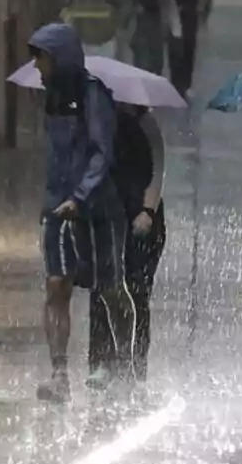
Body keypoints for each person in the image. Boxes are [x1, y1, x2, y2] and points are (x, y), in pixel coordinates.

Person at [30, 23, 136, 403]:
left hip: (98, 208)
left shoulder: (94, 97)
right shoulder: (51, 99)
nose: (37, 67)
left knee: (109, 289)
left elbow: (101, 150)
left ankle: (124, 359)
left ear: (59, 57)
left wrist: (81, 194)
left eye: (41, 58)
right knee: (57, 285)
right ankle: (59, 373)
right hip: (59, 206)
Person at [88, 103, 166, 390]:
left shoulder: (147, 123)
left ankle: (134, 364)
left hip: (140, 216)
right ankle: (102, 362)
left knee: (137, 291)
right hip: (108, 214)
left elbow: (158, 169)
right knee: (102, 290)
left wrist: (148, 210)